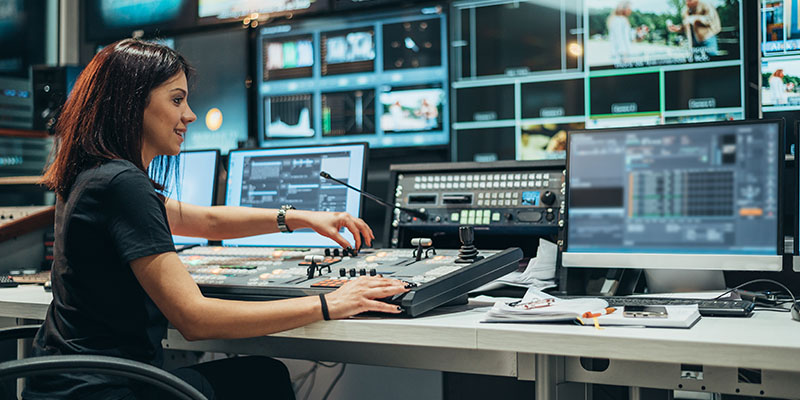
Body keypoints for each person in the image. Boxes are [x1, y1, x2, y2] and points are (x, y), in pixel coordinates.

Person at [23, 38, 409, 400]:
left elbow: (206, 221)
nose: (189, 115)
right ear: (132, 103)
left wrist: (300, 218)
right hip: (106, 390)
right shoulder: (121, 183)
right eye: (177, 100)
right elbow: (195, 318)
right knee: (264, 378)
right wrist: (329, 302)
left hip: (67, 384)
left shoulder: (93, 174)